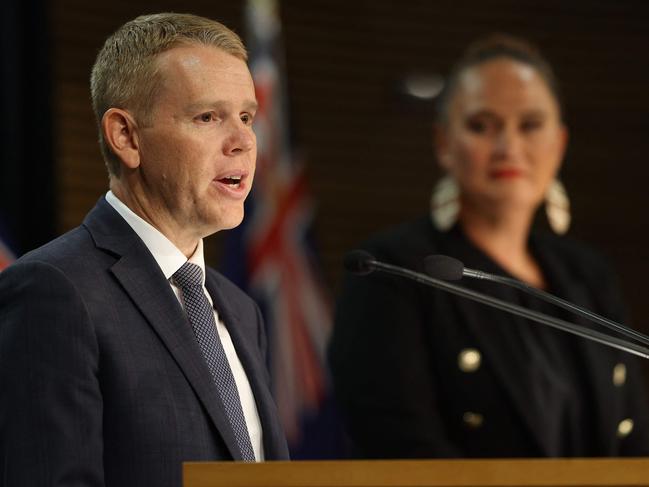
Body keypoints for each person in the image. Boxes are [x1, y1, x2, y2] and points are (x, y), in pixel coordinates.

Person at [0, 13, 289, 487]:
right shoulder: (54, 290)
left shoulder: (240, 310)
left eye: (245, 117)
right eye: (207, 117)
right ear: (126, 137)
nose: (242, 143)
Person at [329, 34, 649, 458]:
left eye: (530, 125)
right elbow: (400, 447)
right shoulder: (392, 269)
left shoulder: (589, 273)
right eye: (482, 125)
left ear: (559, 144)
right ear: (444, 143)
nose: (508, 147)